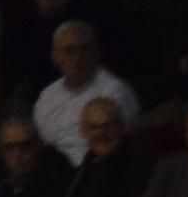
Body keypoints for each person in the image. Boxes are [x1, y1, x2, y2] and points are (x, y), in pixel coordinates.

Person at [32, 21, 140, 165]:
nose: (77, 57)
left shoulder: (115, 92)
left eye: (84, 49)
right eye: (69, 51)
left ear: (96, 52)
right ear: (55, 57)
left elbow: (120, 148)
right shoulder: (46, 97)